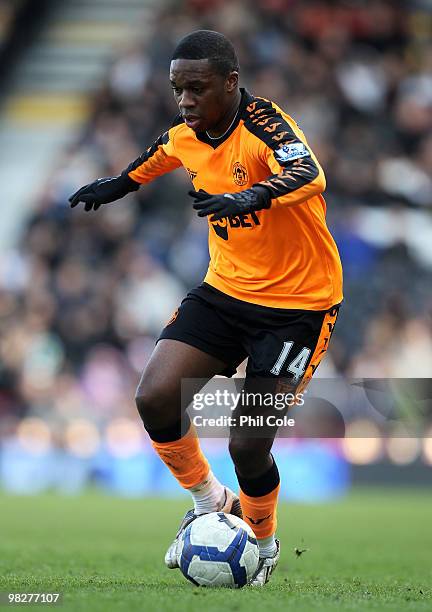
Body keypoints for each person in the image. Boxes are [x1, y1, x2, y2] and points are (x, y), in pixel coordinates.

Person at [69, 30, 343, 586]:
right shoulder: (188, 134)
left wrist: (252, 195)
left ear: (231, 84)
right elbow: (160, 153)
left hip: (298, 307)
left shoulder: (266, 124)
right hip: (225, 293)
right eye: (178, 90)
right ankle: (207, 501)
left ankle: (262, 543)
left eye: (197, 88)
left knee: (247, 442)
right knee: (154, 396)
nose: (186, 100)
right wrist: (118, 185)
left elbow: (308, 173)